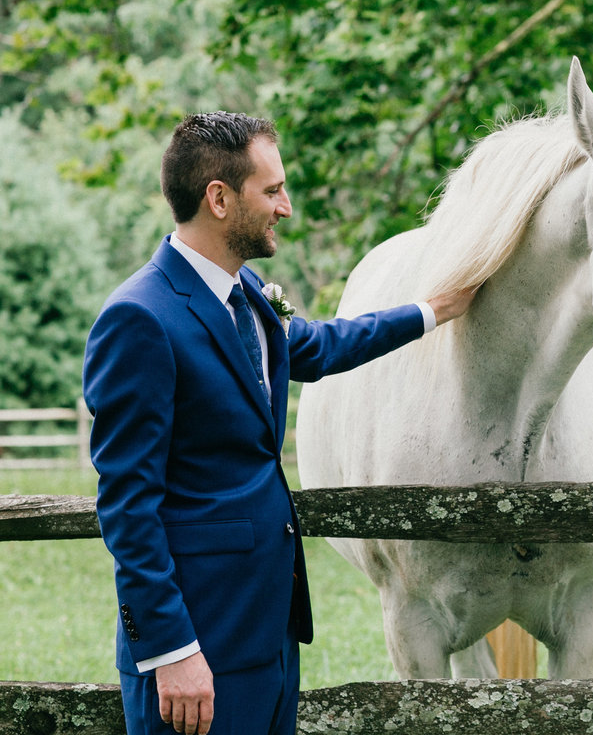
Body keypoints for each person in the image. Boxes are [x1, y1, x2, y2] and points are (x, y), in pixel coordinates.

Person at [82, 112, 477, 735]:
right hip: (197, 650)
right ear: (219, 198)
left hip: (268, 636)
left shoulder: (249, 296)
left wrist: (432, 311)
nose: (285, 207)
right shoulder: (140, 318)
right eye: (272, 190)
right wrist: (171, 653)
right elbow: (128, 508)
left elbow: (319, 346)